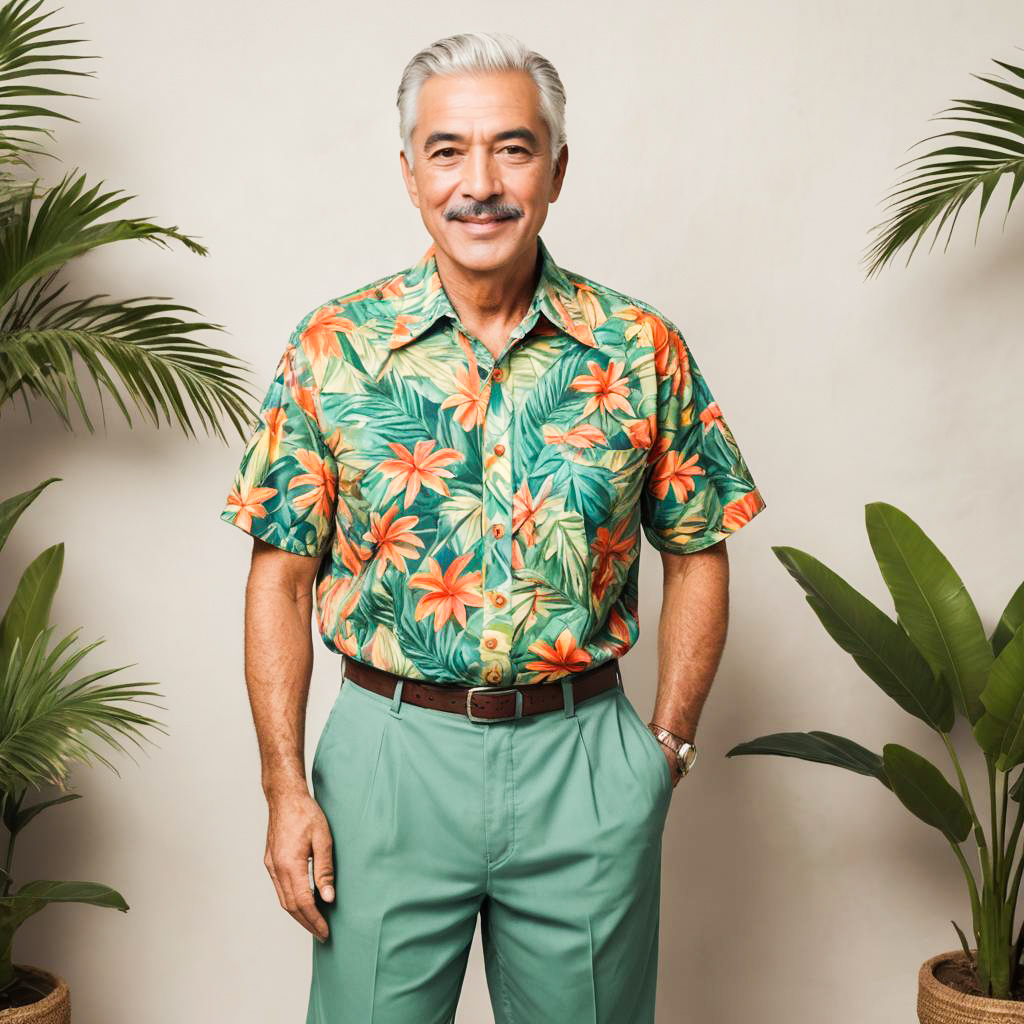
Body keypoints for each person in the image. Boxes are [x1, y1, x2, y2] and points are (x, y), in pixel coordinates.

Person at [219, 30, 766, 1024]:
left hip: (584, 758)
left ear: (556, 169)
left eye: (512, 148)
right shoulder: (333, 350)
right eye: (448, 150)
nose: (481, 182)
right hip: (388, 761)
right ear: (408, 173)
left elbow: (699, 546)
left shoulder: (639, 348)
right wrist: (284, 787)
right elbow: (280, 577)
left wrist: (666, 747)